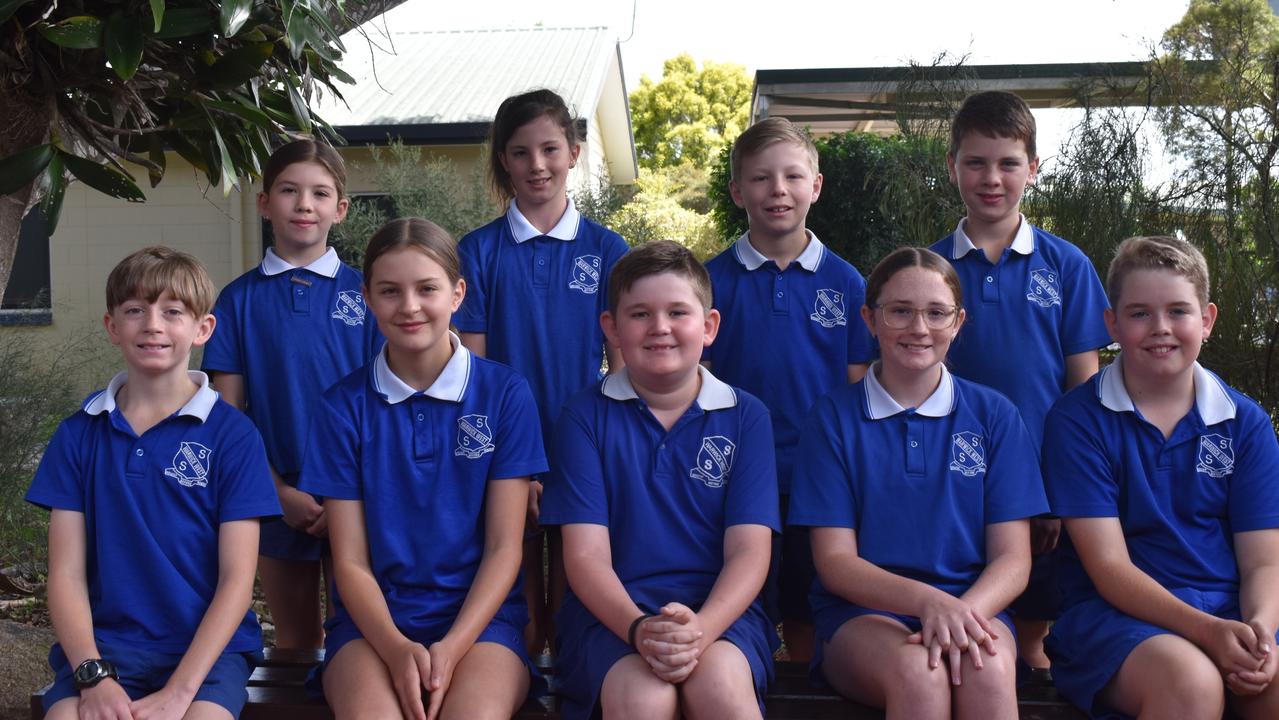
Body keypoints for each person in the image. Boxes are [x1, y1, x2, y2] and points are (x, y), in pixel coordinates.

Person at [299, 218, 545, 720]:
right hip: (372, 627)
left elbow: (504, 548)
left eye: (426, 289)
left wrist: (452, 647)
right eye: (390, 291)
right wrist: (394, 648)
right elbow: (350, 563)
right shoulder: (341, 406)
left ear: (457, 294)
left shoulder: (505, 394)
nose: (409, 307)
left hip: (482, 624)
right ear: (367, 298)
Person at [789, 246, 1047, 719]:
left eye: (936, 313)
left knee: (987, 666)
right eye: (900, 311)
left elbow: (1013, 559)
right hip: (862, 615)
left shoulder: (995, 416)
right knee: (918, 671)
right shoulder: (832, 418)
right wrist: (929, 603)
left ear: (959, 321)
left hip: (975, 605)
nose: (919, 328)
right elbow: (836, 563)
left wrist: (959, 613)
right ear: (870, 319)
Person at [28, 246, 280, 720]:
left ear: (203, 328)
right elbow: (65, 574)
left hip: (205, 655)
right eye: (135, 311)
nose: (153, 325)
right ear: (112, 327)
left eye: (173, 311)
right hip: (106, 649)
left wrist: (181, 693)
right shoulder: (80, 433)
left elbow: (237, 582)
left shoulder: (233, 436)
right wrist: (93, 675)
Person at [1043, 235, 1279, 720]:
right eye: (1139, 314)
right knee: (1191, 685)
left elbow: (1263, 564)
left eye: (1178, 311)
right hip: (1116, 618)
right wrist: (1208, 632)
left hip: (1228, 609)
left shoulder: (1245, 422)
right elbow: (1110, 570)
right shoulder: (1078, 421)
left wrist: (1258, 629)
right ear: (1111, 323)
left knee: (1271, 679)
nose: (1160, 329)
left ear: (1207, 320)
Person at [541, 240, 779, 720]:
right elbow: (585, 557)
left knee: (722, 691)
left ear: (709, 327)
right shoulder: (583, 415)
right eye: (640, 314)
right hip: (610, 619)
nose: (660, 328)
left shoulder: (745, 416)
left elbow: (750, 551)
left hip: (721, 616)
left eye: (677, 312)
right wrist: (637, 629)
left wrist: (702, 630)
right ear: (611, 328)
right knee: (644, 700)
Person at [929, 91, 1111, 669]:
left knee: (1030, 640)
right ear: (953, 165)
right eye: (976, 162)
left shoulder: (1066, 265)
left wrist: (1060, 491)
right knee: (962, 628)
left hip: (1037, 485)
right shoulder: (927, 270)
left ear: (1033, 169)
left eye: (1008, 163)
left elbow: (1083, 393)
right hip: (947, 479)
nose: (991, 177)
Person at [456, 88, 629, 657]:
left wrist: (611, 444)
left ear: (574, 152)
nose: (537, 165)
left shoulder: (607, 249)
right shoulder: (477, 252)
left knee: (579, 590)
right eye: (521, 152)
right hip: (508, 448)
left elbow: (621, 361)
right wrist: (505, 458)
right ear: (503, 159)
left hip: (585, 442)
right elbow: (475, 370)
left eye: (550, 149)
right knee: (519, 589)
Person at [703, 116, 875, 661]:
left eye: (793, 177)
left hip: (817, 479)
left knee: (805, 607)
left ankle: (802, 680)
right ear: (737, 191)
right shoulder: (710, 281)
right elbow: (695, 384)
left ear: (815, 186)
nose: (778, 190)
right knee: (740, 599)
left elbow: (856, 388)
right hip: (730, 476)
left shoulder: (847, 283)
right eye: (760, 178)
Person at [202, 138, 383, 650]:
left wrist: (350, 492)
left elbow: (385, 398)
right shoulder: (237, 301)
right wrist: (276, 492)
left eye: (320, 193)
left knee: (362, 637)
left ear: (340, 210)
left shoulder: (367, 294)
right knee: (296, 645)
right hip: (275, 496)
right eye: (288, 190)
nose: (305, 204)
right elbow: (227, 415)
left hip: (361, 494)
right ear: (263, 202)